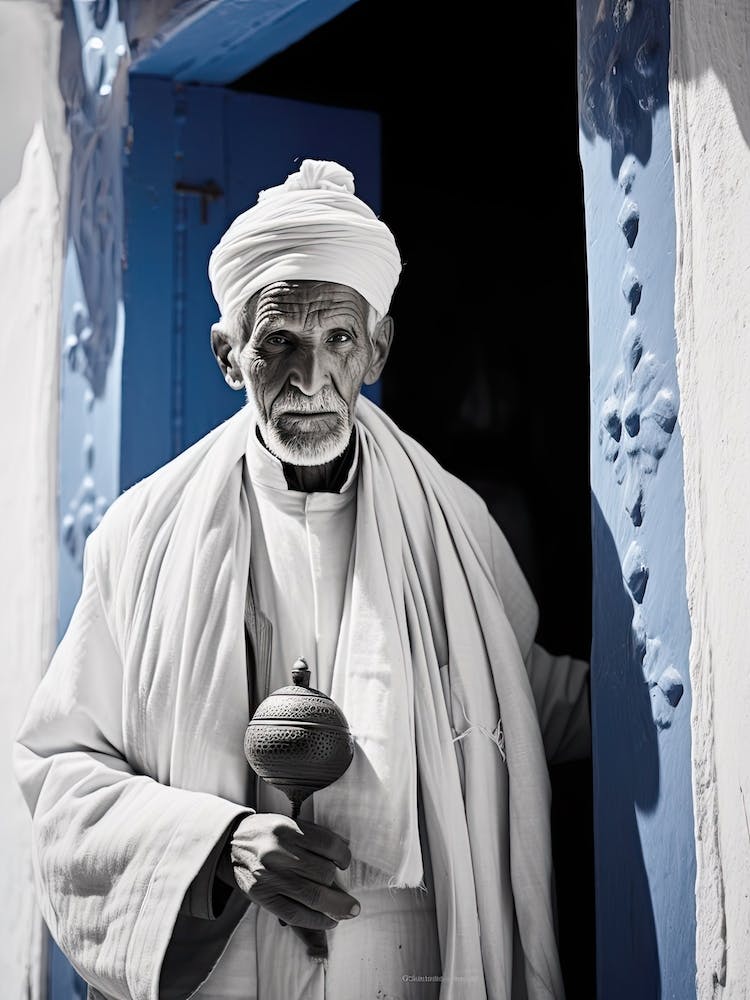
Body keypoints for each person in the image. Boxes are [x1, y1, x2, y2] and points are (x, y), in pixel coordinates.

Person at [14, 159, 590, 1000]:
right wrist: (221, 845)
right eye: (277, 342)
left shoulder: (453, 524)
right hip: (226, 956)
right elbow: (62, 774)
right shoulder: (141, 536)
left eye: (339, 340)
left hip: (405, 963)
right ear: (226, 355)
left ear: (379, 349)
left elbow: (510, 694)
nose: (311, 379)